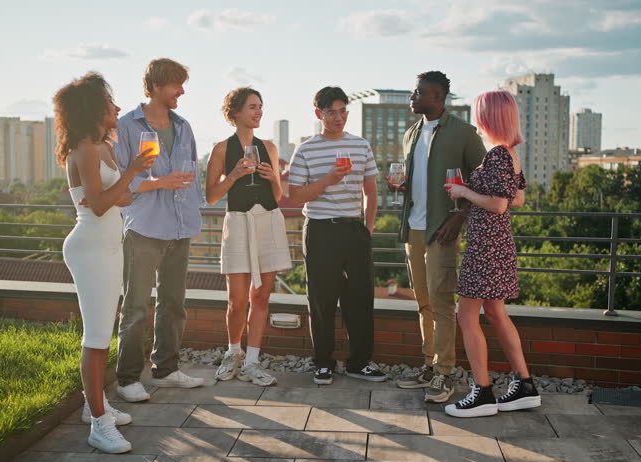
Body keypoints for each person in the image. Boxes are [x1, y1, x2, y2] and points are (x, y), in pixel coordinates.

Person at [55, 72, 156, 452]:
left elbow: (122, 199)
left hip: (111, 245)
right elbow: (100, 205)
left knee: (103, 333)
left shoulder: (104, 147)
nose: (117, 106)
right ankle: (99, 424)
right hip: (91, 247)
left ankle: (91, 406)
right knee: (96, 338)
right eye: (110, 101)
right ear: (94, 108)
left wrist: (117, 188)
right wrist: (129, 174)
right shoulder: (82, 150)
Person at [112, 58, 205, 402]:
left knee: (173, 303)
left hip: (181, 227)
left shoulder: (184, 126)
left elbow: (193, 172)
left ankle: (165, 370)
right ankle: (127, 379)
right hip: (145, 228)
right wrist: (158, 182)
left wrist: (194, 211)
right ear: (154, 87)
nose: (181, 91)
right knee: (136, 307)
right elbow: (121, 179)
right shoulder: (127, 127)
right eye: (175, 85)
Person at [443, 90, 538, 418]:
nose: (475, 120)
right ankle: (525, 386)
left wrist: (464, 191)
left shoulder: (497, 154)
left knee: (466, 315)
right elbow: (519, 198)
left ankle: (481, 393)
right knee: (496, 314)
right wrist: (480, 193)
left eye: (478, 114)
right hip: (498, 246)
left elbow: (498, 204)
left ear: (489, 117)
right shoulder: (511, 153)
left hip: (485, 247)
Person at [394, 71, 487, 404]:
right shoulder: (411, 134)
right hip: (413, 228)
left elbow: (483, 181)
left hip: (442, 230)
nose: (412, 96)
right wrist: (402, 185)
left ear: (438, 96)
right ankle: (429, 365)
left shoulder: (464, 134)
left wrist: (460, 216)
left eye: (418, 92)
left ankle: (445, 373)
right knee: (422, 300)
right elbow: (416, 178)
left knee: (442, 301)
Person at [288, 86, 387, 385]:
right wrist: (329, 179)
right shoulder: (305, 149)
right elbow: (294, 196)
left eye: (343, 111)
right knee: (322, 300)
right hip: (319, 229)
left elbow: (371, 191)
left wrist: (367, 229)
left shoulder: (361, 146)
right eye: (331, 112)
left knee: (360, 298)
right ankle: (323, 362)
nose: (338, 117)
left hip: (354, 229)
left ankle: (359, 362)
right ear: (319, 114)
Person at [205, 87, 291, 386]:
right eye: (253, 107)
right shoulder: (220, 149)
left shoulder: (269, 147)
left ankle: (253, 362)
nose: (259, 112)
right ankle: (233, 353)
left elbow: (279, 195)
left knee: (261, 296)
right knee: (237, 300)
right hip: (239, 223)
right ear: (236, 112)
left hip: (268, 221)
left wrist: (271, 179)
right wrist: (234, 176)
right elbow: (212, 196)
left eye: (260, 106)